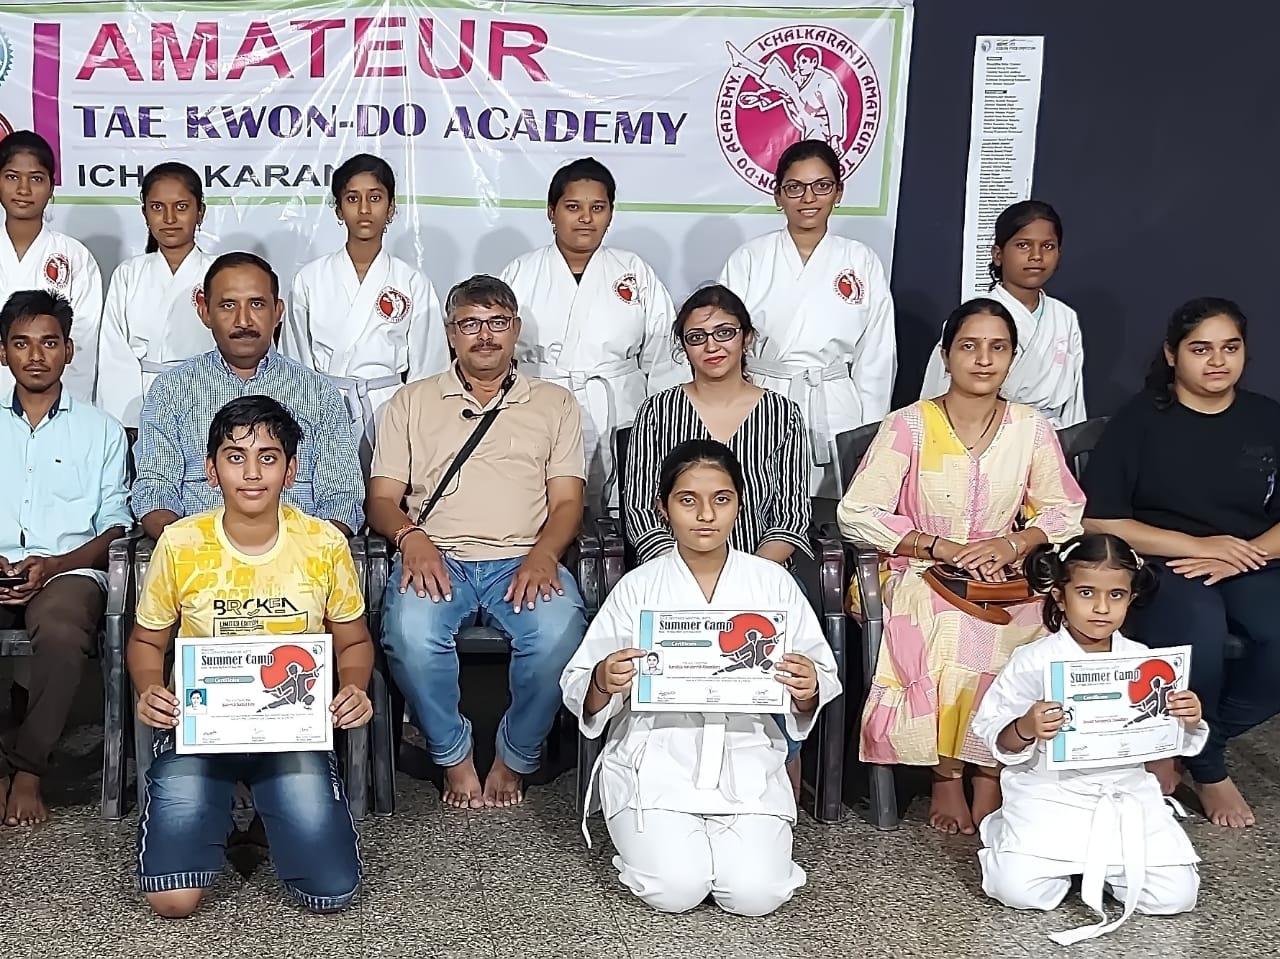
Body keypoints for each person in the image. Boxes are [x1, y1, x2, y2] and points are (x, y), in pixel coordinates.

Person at [837, 298, 1085, 835]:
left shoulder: (1030, 428)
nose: (983, 359)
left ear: (1014, 357)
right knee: (949, 625)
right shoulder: (910, 425)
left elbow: (1066, 509)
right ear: (946, 356)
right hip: (918, 569)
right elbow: (857, 512)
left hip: (1003, 570)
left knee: (1031, 624)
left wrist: (1016, 542)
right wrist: (937, 547)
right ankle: (947, 773)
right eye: (969, 346)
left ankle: (991, 766)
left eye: (998, 347)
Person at [561, 440, 840, 917]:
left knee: (756, 895)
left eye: (722, 499)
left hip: (745, 760)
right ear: (663, 508)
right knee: (676, 889)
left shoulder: (771, 583)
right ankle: (667, 843)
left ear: (739, 504)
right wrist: (605, 682)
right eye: (687, 500)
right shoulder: (640, 586)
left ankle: (723, 846)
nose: (705, 514)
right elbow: (580, 684)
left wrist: (807, 686)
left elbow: (820, 676)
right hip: (657, 761)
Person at [128, 395, 372, 918]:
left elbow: (353, 641)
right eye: (235, 457)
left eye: (268, 456)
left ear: (292, 468)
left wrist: (354, 687)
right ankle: (233, 811)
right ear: (211, 470)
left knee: (330, 894)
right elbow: (147, 643)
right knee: (172, 900)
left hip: (291, 731)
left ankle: (266, 806)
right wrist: (150, 688)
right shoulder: (181, 542)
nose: (252, 473)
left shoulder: (322, 543)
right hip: (199, 730)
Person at [368, 274, 587, 809]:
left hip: (524, 557)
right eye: (470, 324)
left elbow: (567, 503)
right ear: (450, 333)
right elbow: (380, 499)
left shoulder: (554, 404)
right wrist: (409, 536)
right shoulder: (411, 402)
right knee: (412, 637)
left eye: (496, 323)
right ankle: (454, 757)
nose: (484, 336)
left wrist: (543, 554)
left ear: (515, 331)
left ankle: (515, 756)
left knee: (560, 634)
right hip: (435, 556)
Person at [1082, 297, 1280, 829]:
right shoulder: (1141, 419)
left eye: (1230, 348)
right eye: (1201, 349)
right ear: (1173, 355)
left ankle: (1195, 741)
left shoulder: (1267, 418)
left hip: (1249, 558)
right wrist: (1201, 546)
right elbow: (1101, 520)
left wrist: (1243, 554)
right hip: (1165, 560)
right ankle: (1211, 768)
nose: (1217, 361)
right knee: (1199, 631)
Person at [622, 284, 812, 794]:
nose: (713, 346)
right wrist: (690, 574)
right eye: (697, 336)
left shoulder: (782, 413)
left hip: (760, 571)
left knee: (780, 633)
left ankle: (776, 752)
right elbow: (642, 504)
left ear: (746, 338)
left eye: (725, 333)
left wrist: (746, 576)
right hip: (675, 572)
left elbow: (792, 507)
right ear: (681, 346)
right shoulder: (658, 411)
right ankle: (667, 758)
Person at [972, 534, 1204, 945]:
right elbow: (997, 739)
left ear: (1131, 598)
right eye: (1086, 593)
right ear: (1060, 597)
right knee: (1017, 891)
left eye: (1116, 594)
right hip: (1051, 796)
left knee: (1176, 897)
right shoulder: (1033, 661)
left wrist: (1185, 716)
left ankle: (1101, 865)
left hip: (1124, 796)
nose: (1101, 607)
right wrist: (1026, 727)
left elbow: (1170, 740)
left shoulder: (1144, 660)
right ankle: (1011, 834)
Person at [0, 289, 131, 826]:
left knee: (58, 626)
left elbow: (116, 525)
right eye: (21, 343)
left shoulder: (100, 428)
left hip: (70, 568)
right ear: (2, 351)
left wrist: (52, 565)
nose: (36, 355)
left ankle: (28, 771)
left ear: (70, 351)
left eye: (49, 343)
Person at [131, 251, 364, 540]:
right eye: (228, 305)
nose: (243, 320)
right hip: (200, 564)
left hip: (298, 565)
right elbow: (155, 490)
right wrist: (191, 548)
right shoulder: (171, 391)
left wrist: (300, 553)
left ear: (278, 312)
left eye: (257, 304)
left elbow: (341, 500)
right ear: (205, 312)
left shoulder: (319, 394)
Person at [499, 157, 681, 512]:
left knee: (622, 511)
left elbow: (663, 355)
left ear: (611, 213)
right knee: (538, 509)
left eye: (597, 208)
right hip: (539, 410)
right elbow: (497, 351)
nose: (586, 218)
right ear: (551, 212)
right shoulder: (521, 272)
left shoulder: (633, 271)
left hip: (622, 413)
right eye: (573, 207)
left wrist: (662, 425)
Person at [718, 138, 895, 496]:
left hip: (835, 405)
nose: (808, 198)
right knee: (755, 501)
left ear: (838, 192)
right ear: (777, 195)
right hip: (761, 400)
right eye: (795, 188)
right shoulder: (749, 259)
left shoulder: (861, 261)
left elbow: (876, 358)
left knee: (828, 511)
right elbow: (721, 343)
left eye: (821, 186)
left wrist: (867, 434)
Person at [282, 153, 450, 468]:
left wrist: (415, 423)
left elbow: (430, 368)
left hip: (391, 408)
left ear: (391, 208)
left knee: (388, 499)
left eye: (374, 198)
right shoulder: (310, 279)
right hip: (324, 406)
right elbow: (296, 362)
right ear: (338, 209)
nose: (363, 209)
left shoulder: (412, 282)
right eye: (352, 198)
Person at [921, 200, 1085, 428]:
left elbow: (1074, 400)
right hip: (987, 433)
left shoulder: (1064, 317)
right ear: (998, 254)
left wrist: (1073, 449)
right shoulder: (972, 319)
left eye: (1047, 246)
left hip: (1052, 434)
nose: (1036, 256)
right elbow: (940, 391)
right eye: (1023, 246)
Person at [96, 162, 217, 429]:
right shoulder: (128, 273)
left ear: (201, 212)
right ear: (145, 213)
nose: (170, 218)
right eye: (157, 207)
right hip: (141, 406)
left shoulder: (219, 273)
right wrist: (127, 421)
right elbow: (113, 352)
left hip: (209, 402)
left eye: (182, 207)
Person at [0, 131, 103, 402]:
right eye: (12, 177)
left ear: (51, 186)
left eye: (36, 178)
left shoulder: (74, 256)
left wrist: (70, 407)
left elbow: (83, 339)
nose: (23, 189)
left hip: (54, 400)